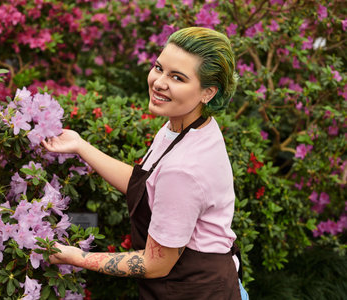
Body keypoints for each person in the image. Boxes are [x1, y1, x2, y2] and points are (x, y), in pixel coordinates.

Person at [42, 26, 245, 299]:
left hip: (194, 290)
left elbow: (155, 264)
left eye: (178, 77)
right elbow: (147, 185)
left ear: (207, 92)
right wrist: (81, 146)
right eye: (159, 68)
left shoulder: (183, 168)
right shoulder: (188, 126)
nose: (159, 82)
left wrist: (76, 257)